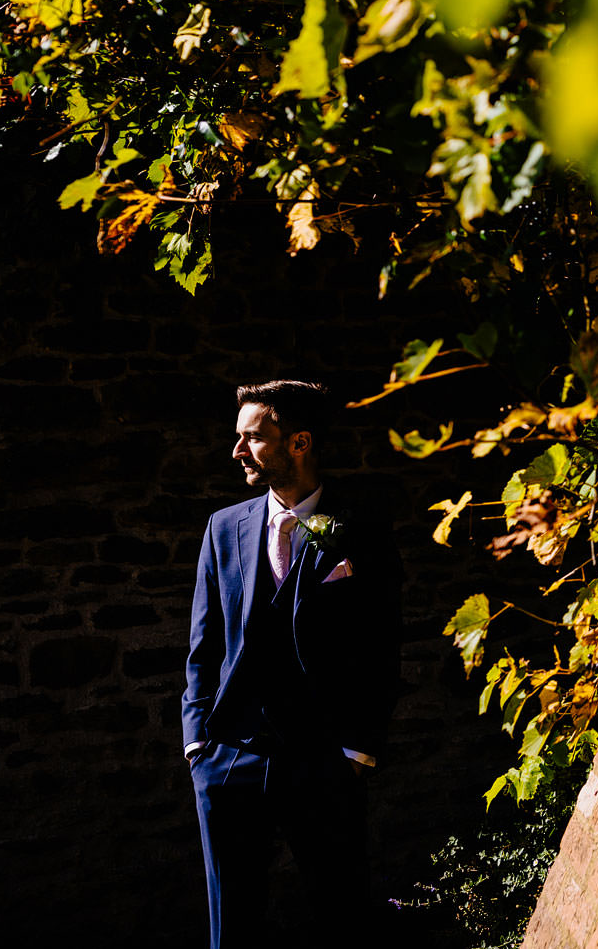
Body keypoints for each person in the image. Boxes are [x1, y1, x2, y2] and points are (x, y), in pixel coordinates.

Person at [183, 379, 402, 947]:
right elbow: (204, 646)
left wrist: (358, 749)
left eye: (252, 438)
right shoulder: (222, 528)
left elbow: (381, 644)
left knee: (342, 916)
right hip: (230, 759)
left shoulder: (363, 529)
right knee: (232, 928)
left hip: (325, 761)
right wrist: (197, 743)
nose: (236, 451)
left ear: (299, 442)